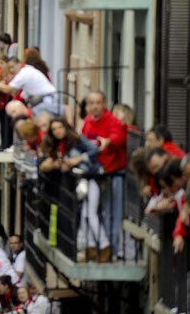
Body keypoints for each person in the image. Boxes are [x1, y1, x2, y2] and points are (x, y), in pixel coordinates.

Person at [40, 117, 109, 262]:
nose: (58, 131)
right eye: (54, 129)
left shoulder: (77, 139)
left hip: (91, 177)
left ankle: (104, 246)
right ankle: (90, 249)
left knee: (91, 213)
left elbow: (94, 150)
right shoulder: (60, 146)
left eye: (60, 127)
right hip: (79, 181)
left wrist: (78, 159)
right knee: (84, 215)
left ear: (66, 127)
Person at [81, 91, 126, 260]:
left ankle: (112, 250)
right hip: (94, 174)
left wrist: (108, 141)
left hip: (112, 174)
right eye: (91, 103)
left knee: (111, 212)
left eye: (97, 102)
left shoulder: (113, 121)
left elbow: (118, 137)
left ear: (104, 103)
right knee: (91, 212)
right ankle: (97, 247)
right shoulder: (87, 122)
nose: (94, 106)